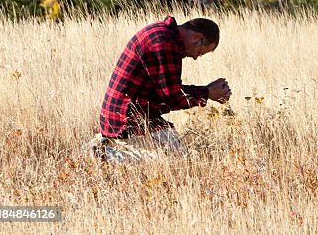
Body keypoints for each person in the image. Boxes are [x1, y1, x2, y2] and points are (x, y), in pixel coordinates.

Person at [86, 15, 231, 161]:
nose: (194, 57)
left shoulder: (163, 35)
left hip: (131, 115)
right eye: (199, 52)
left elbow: (165, 93)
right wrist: (208, 92)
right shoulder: (164, 42)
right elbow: (173, 97)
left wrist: (206, 91)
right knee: (174, 160)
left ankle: (109, 146)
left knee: (177, 153)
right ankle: (106, 154)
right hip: (126, 121)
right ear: (196, 38)